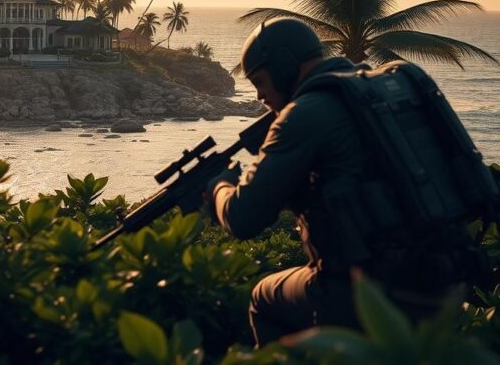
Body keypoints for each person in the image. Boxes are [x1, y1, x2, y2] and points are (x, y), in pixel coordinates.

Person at [204, 18, 475, 347]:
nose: (260, 96)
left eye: (260, 81)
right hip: (443, 276)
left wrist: (219, 186)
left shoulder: (304, 114)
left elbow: (243, 217)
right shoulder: (373, 92)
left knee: (264, 298)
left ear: (285, 66)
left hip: (366, 289)